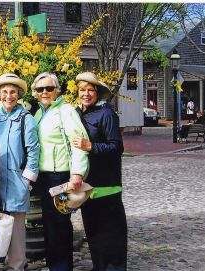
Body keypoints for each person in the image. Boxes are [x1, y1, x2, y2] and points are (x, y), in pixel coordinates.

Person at [32, 72, 90, 271]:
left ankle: (62, 267)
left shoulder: (66, 111)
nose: (45, 92)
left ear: (57, 90)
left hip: (60, 176)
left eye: (49, 88)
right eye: (40, 89)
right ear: (35, 93)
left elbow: (78, 143)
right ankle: (54, 265)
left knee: (60, 226)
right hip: (44, 177)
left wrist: (77, 174)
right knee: (49, 226)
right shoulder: (39, 113)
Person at [0, 73, 40, 271]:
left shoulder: (26, 118)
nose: (9, 96)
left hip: (16, 181)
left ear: (19, 95)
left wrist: (28, 180)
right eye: (5, 92)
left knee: (16, 229)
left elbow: (34, 150)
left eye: (13, 92)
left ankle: (17, 266)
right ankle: (3, 262)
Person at [72, 72, 127, 271]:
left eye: (90, 90)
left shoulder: (106, 114)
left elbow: (116, 147)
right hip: (87, 187)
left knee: (111, 237)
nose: (86, 94)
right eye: (82, 90)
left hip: (107, 186)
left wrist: (91, 146)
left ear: (97, 93)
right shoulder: (77, 114)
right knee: (94, 236)